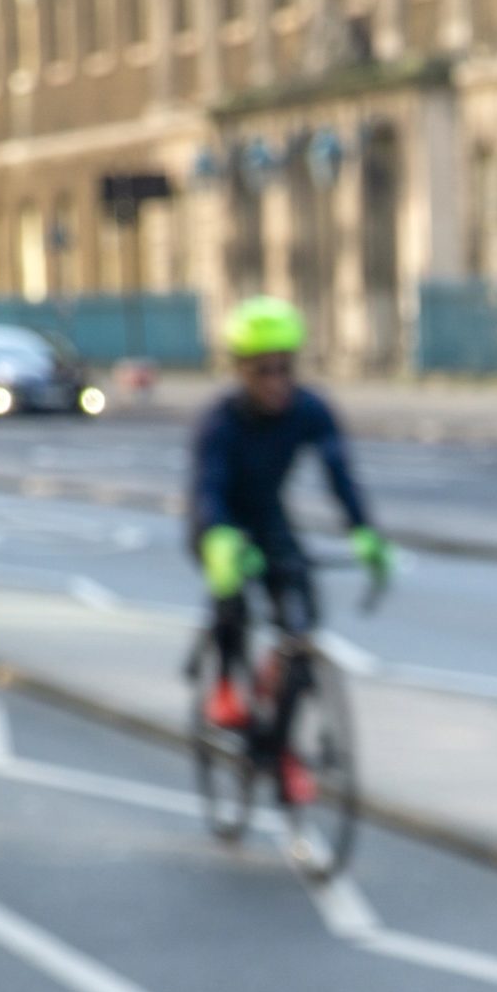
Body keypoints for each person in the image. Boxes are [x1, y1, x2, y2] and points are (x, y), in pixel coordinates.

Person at [189, 295, 393, 806]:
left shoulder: (310, 410)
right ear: (241, 370)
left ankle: (279, 748)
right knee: (231, 598)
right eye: (264, 370)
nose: (277, 381)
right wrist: (219, 540)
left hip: (269, 521)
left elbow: (338, 474)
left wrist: (364, 532)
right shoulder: (221, 423)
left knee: (301, 631)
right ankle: (227, 689)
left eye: (285, 368)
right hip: (219, 522)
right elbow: (208, 489)